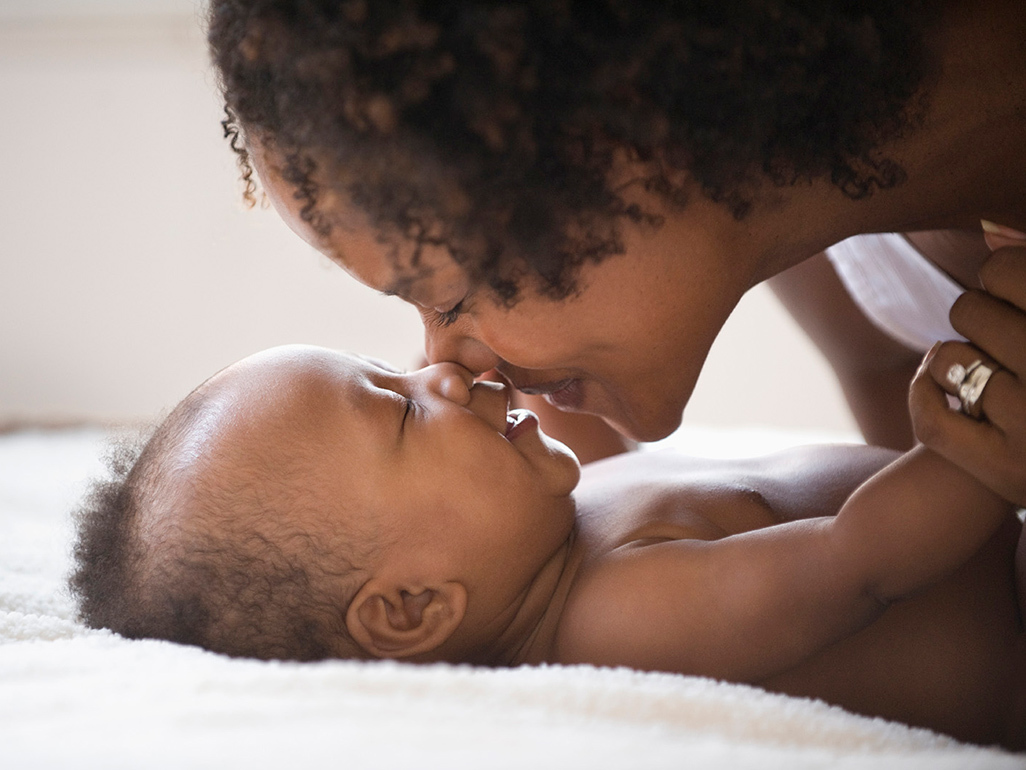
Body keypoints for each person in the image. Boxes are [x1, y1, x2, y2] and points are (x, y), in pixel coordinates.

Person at [204, 0, 1026, 501]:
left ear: (618, 124)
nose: (453, 367)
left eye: (452, 297)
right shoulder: (803, 209)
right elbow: (961, 558)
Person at [71, 344, 1025, 749]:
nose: (438, 373)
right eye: (403, 410)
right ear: (412, 609)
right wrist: (973, 450)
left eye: (400, 368)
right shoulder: (616, 617)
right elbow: (855, 564)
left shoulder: (548, 523)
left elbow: (589, 411)